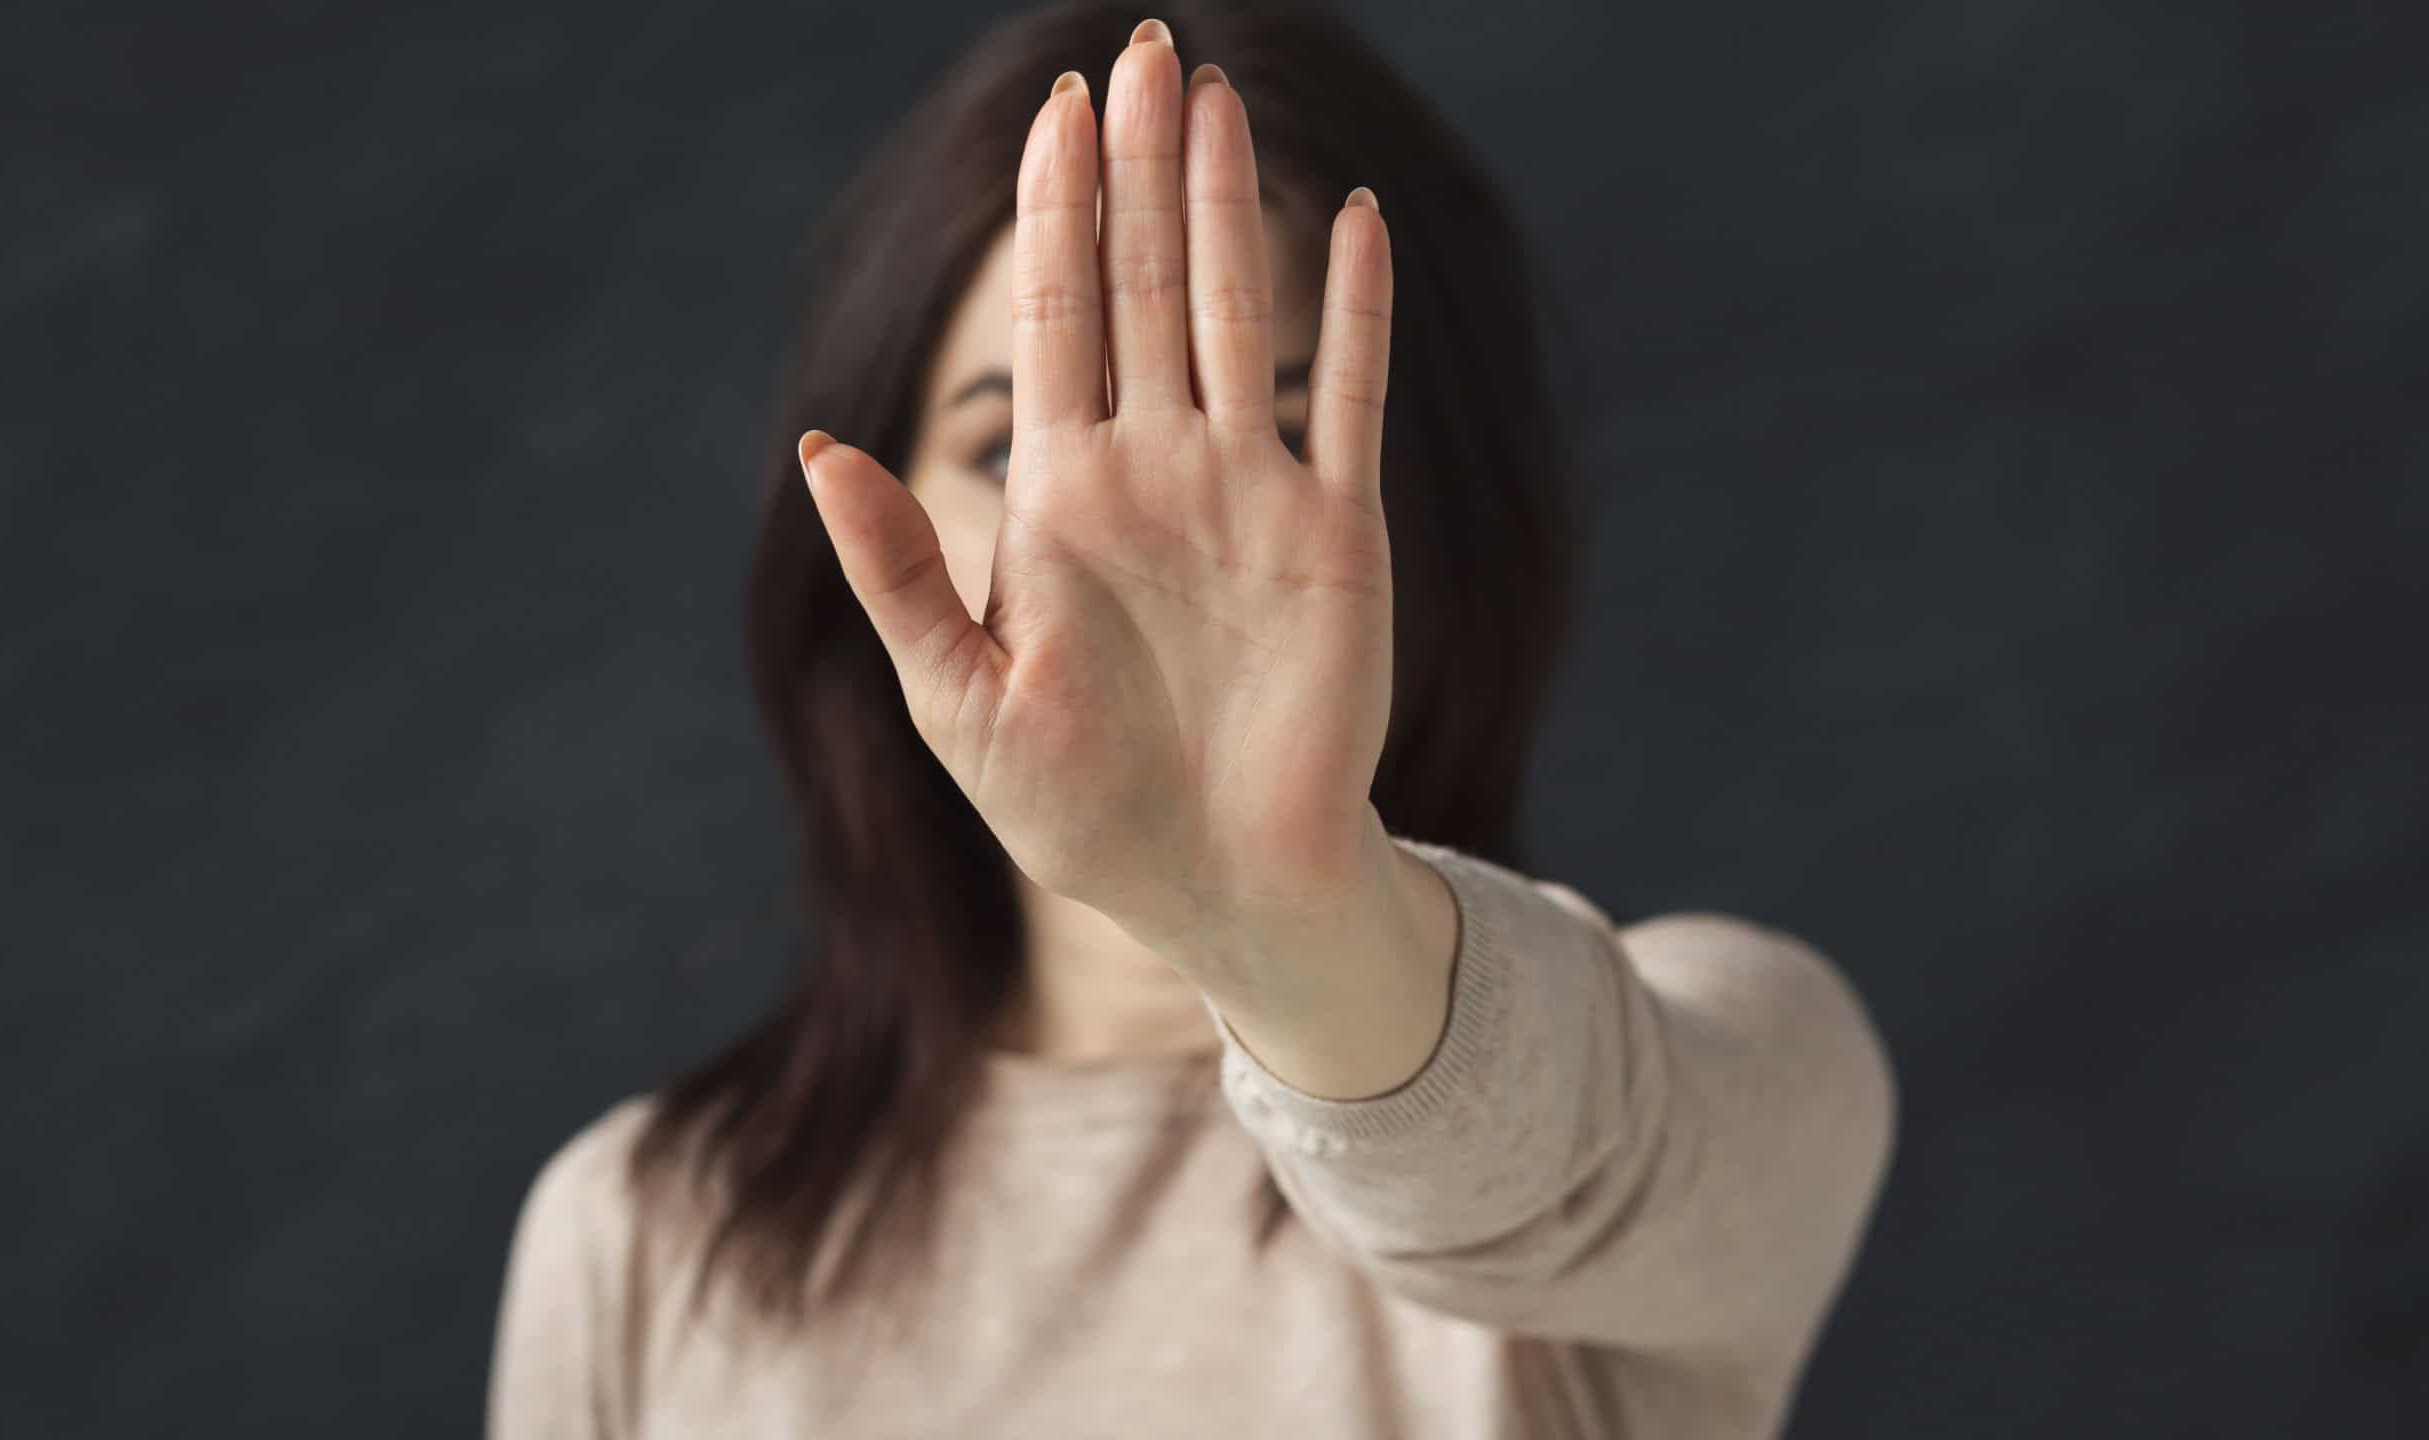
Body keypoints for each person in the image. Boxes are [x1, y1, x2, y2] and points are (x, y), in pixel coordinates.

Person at [486, 3, 1896, 1435]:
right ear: (868, 517)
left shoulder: (1740, 1072)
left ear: (1444, 521)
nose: (1106, 542)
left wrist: (1274, 910)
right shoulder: (644, 1234)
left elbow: (1535, 1155)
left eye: (1264, 432)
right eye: (1006, 444)